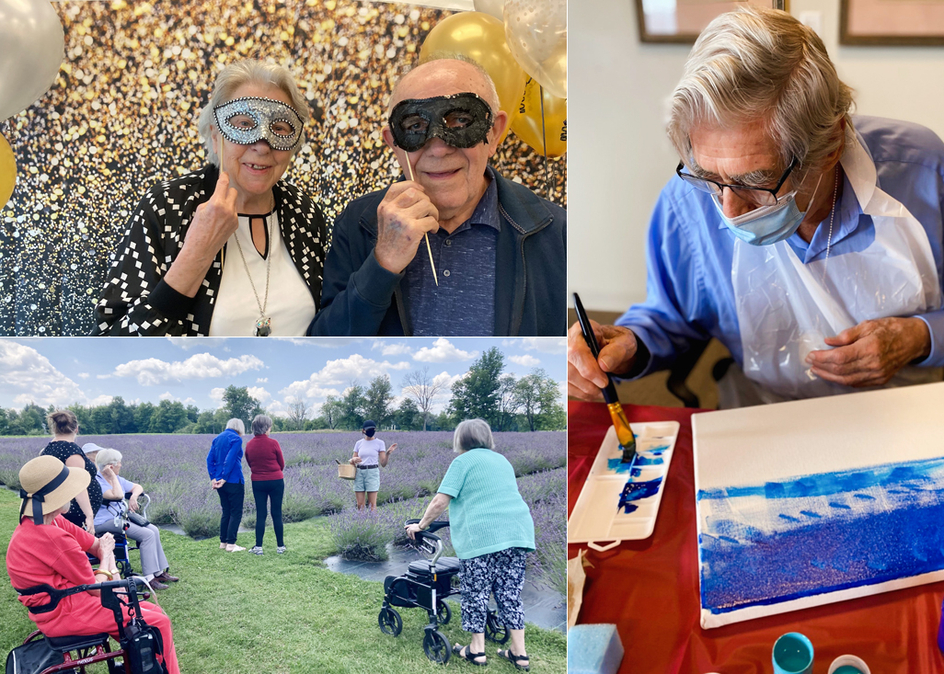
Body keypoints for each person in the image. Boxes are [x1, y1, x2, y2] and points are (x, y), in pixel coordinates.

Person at [568, 6, 944, 408]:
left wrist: (920, 337)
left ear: (831, 146)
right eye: (710, 177)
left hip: (910, 411)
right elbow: (671, 318)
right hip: (765, 414)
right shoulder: (686, 204)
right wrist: (630, 344)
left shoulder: (923, 174)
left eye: (756, 182)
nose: (728, 209)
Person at [308, 57, 567, 337]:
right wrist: (382, 263)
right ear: (394, 143)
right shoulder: (359, 223)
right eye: (415, 127)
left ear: (493, 133)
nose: (440, 149)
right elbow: (323, 347)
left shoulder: (556, 233)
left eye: (460, 121)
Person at [92, 58, 327, 336]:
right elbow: (111, 346)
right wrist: (196, 255)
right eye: (243, 123)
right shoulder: (167, 207)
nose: (262, 146)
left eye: (279, 128)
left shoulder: (304, 214)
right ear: (216, 135)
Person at [6, 456, 180, 674]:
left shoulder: (42, 521)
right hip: (65, 613)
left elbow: (97, 545)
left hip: (58, 606)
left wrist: (106, 559)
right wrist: (108, 560)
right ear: (57, 496)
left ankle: (140, 665)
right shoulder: (54, 537)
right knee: (158, 622)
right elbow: (98, 587)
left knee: (147, 612)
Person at [405, 419, 534, 670]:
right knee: (509, 593)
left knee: (476, 592)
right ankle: (520, 654)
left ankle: (476, 651)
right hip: (517, 533)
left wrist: (419, 526)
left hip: (482, 537)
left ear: (460, 440)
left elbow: (440, 501)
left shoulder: (462, 461)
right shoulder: (502, 460)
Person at [94, 447, 179, 590]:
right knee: (146, 535)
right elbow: (117, 495)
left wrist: (133, 496)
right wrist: (112, 476)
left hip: (118, 518)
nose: (121, 465)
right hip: (104, 522)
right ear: (111, 466)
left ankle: (158, 572)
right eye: (119, 462)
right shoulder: (97, 482)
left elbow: (138, 486)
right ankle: (149, 578)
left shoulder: (117, 478)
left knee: (153, 529)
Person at [39, 410, 102, 534]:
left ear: (54, 428)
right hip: (75, 512)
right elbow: (78, 486)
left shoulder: (46, 450)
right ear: (76, 429)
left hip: (59, 506)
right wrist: (89, 516)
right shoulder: (71, 450)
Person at [244, 414, 286, 554]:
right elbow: (282, 463)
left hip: (258, 481)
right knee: (276, 513)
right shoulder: (273, 443)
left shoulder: (249, 444)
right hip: (276, 480)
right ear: (266, 428)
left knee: (261, 513)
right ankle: (280, 546)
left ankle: (258, 546)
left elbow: (250, 463)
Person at [207, 418, 246, 552]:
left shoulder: (217, 438)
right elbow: (230, 460)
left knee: (226, 511)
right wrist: (224, 478)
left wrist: (214, 478)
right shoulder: (236, 439)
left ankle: (223, 542)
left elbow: (209, 459)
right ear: (240, 427)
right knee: (236, 512)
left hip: (219, 482)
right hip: (234, 480)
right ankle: (231, 544)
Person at [349, 419, 396, 511]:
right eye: (368, 429)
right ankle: (361, 523)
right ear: (363, 430)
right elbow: (352, 461)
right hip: (359, 473)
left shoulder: (380, 443)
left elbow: (383, 463)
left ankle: (373, 524)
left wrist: (388, 454)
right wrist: (353, 459)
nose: (371, 431)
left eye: (373, 429)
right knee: (360, 505)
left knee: (372, 505)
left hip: (372, 472)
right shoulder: (359, 443)